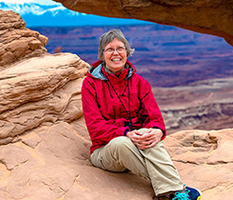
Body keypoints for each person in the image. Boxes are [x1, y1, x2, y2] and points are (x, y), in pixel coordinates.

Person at [81, 29, 201, 200]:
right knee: (121, 142)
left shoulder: (140, 83)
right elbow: (95, 127)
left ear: (127, 52)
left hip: (137, 146)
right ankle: (177, 188)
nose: (116, 53)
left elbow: (155, 118)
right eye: (110, 49)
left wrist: (158, 130)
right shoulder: (90, 85)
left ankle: (172, 195)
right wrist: (126, 133)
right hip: (105, 151)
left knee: (149, 133)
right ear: (102, 55)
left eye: (120, 48)